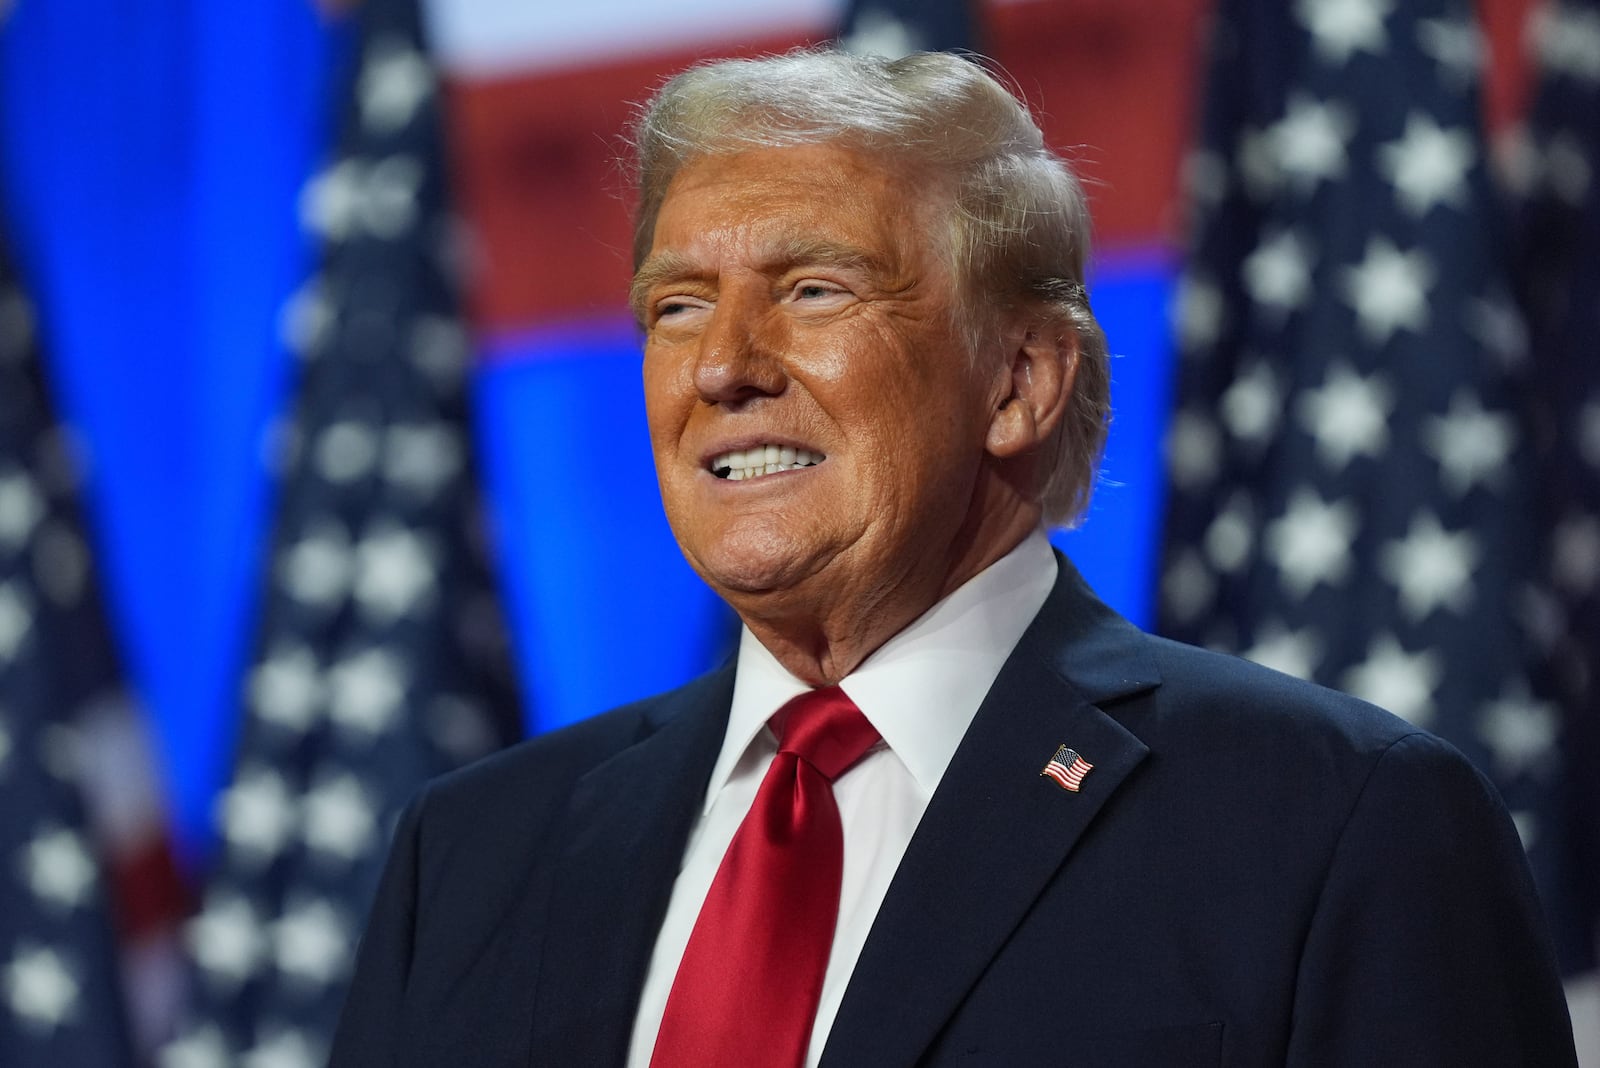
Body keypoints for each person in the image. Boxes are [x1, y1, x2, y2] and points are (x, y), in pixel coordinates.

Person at [330, 49, 1577, 1066]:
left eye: (815, 290)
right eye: (677, 305)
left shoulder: (1335, 825)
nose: (722, 366)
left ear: (1020, 379)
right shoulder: (472, 855)